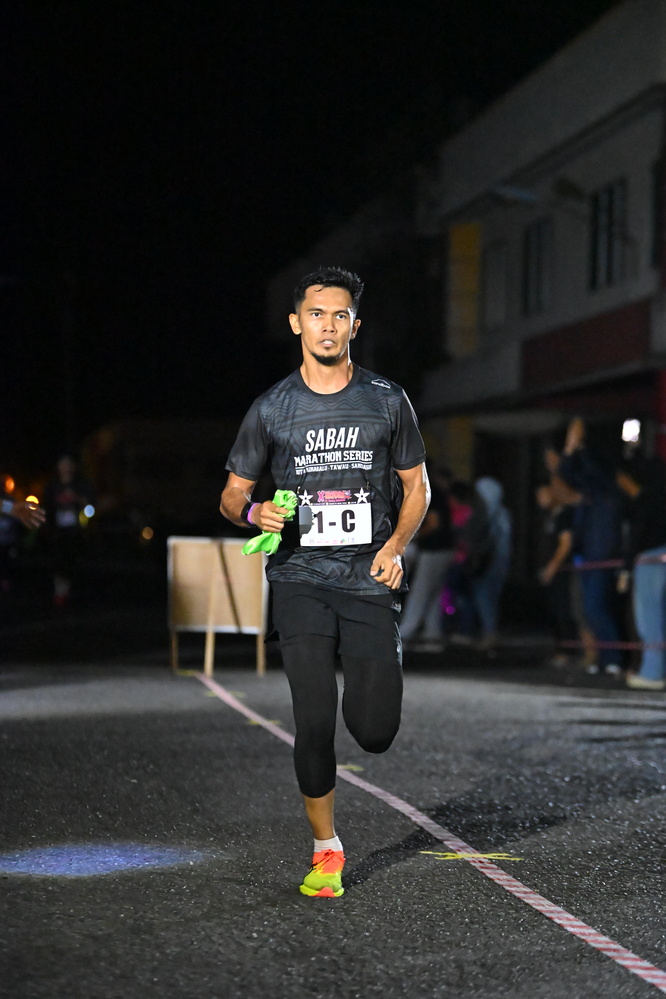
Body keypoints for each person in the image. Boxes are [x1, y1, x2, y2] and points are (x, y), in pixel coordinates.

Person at [219, 266, 429, 898]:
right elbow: (232, 495)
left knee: (374, 731)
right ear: (296, 324)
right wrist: (256, 513)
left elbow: (416, 487)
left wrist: (394, 547)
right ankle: (325, 848)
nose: (328, 326)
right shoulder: (272, 408)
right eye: (316, 315)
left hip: (368, 578)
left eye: (340, 315)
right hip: (300, 578)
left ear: (354, 326)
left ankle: (377, 673)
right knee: (312, 718)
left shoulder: (387, 400)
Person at [558, 418, 624, 677]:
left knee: (597, 607)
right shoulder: (591, 495)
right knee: (588, 609)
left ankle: (614, 657)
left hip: (602, 554)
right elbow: (567, 474)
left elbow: (588, 470)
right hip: (586, 554)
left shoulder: (605, 486)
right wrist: (569, 449)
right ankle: (604, 657)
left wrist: (579, 446)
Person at [615, 456, 666, 690]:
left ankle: (652, 672)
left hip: (650, 561)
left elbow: (636, 538)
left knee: (649, 618)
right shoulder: (661, 497)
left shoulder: (645, 501)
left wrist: (625, 569)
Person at [399, 463, 454, 651]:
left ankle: (404, 634)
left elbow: (433, 523)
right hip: (444, 549)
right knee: (433, 593)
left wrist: (411, 537)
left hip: (435, 549)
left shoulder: (431, 490)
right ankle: (433, 635)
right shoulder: (435, 490)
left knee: (420, 592)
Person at [535, 482, 579, 667]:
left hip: (561, 571)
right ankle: (559, 649)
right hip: (549, 570)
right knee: (553, 610)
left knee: (563, 609)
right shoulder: (549, 516)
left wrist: (553, 566)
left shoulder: (563, 515)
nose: (541, 499)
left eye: (544, 494)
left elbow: (565, 543)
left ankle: (567, 651)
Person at [43, 454, 95, 609]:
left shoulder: (81, 485)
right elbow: (47, 506)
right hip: (57, 530)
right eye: (63, 464)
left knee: (72, 560)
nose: (66, 468)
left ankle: (70, 592)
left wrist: (76, 499)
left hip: (76, 529)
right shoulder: (53, 486)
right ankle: (59, 592)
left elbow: (90, 505)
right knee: (58, 560)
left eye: (69, 465)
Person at [472, 476, 511, 651]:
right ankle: (489, 631)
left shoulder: (488, 513)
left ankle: (490, 633)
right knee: (489, 597)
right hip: (499, 561)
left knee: (484, 596)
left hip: (490, 561)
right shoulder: (502, 513)